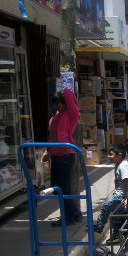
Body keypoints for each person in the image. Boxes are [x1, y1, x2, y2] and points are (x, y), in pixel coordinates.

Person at [41, 89, 81, 226]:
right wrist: (48, 151)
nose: (56, 106)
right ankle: (73, 213)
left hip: (65, 155)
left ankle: (69, 216)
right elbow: (52, 137)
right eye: (55, 103)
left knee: (63, 188)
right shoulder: (55, 118)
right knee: (56, 187)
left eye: (58, 103)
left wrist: (64, 86)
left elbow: (70, 96)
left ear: (65, 103)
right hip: (57, 156)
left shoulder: (71, 115)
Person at [93, 143, 128, 236]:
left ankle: (99, 228)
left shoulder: (123, 167)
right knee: (116, 215)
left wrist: (126, 198)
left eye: (111, 154)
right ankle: (116, 234)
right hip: (120, 194)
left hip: (120, 196)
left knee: (105, 208)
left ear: (119, 155)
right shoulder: (119, 164)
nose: (108, 156)